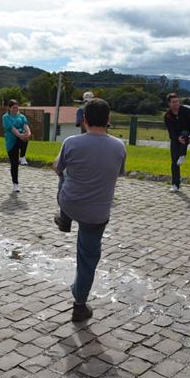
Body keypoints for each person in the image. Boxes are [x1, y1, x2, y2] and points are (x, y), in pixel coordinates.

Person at [53, 98, 126, 321]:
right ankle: (80, 305)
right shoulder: (119, 146)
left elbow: (57, 168)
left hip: (71, 204)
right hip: (96, 213)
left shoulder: (71, 142)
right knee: (87, 258)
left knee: (63, 175)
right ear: (108, 120)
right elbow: (119, 173)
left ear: (83, 119)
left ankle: (64, 218)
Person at [164, 92, 190, 192]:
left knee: (184, 133)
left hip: (187, 135)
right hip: (175, 139)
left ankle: (182, 155)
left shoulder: (186, 111)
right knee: (174, 162)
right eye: (173, 102)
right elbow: (171, 131)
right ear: (169, 103)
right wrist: (177, 139)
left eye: (177, 101)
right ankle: (175, 184)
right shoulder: (167, 116)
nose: (176, 104)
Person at [2, 99, 31, 192]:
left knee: (25, 137)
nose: (15, 109)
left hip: (21, 138)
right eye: (13, 108)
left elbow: (25, 125)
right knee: (14, 164)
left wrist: (28, 133)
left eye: (17, 107)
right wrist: (20, 135)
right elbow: (12, 129)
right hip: (11, 141)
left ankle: (22, 156)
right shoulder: (5, 117)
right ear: (9, 108)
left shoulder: (21, 116)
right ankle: (15, 184)